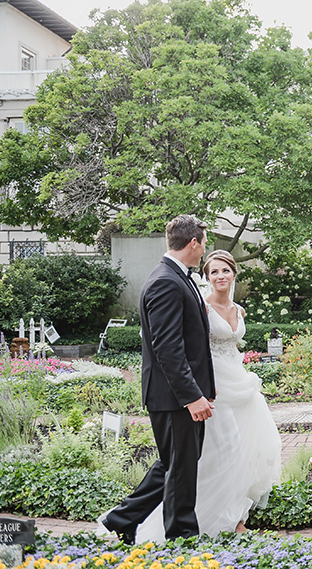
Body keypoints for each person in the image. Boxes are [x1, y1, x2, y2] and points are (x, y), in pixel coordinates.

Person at [120, 249, 282, 542]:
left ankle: (231, 517)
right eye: (213, 272)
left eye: (225, 270)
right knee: (216, 453)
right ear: (207, 278)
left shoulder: (238, 309)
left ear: (234, 273)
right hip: (209, 389)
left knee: (238, 453)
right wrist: (193, 390)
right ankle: (210, 522)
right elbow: (167, 340)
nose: (220, 276)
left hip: (239, 384)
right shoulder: (199, 305)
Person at [101, 214, 215, 544]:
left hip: (175, 394)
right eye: (204, 243)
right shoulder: (166, 281)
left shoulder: (177, 276)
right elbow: (167, 349)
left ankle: (122, 519)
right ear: (193, 243)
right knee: (180, 468)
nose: (204, 249)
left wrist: (205, 389)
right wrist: (192, 396)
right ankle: (181, 538)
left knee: (174, 463)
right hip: (173, 396)